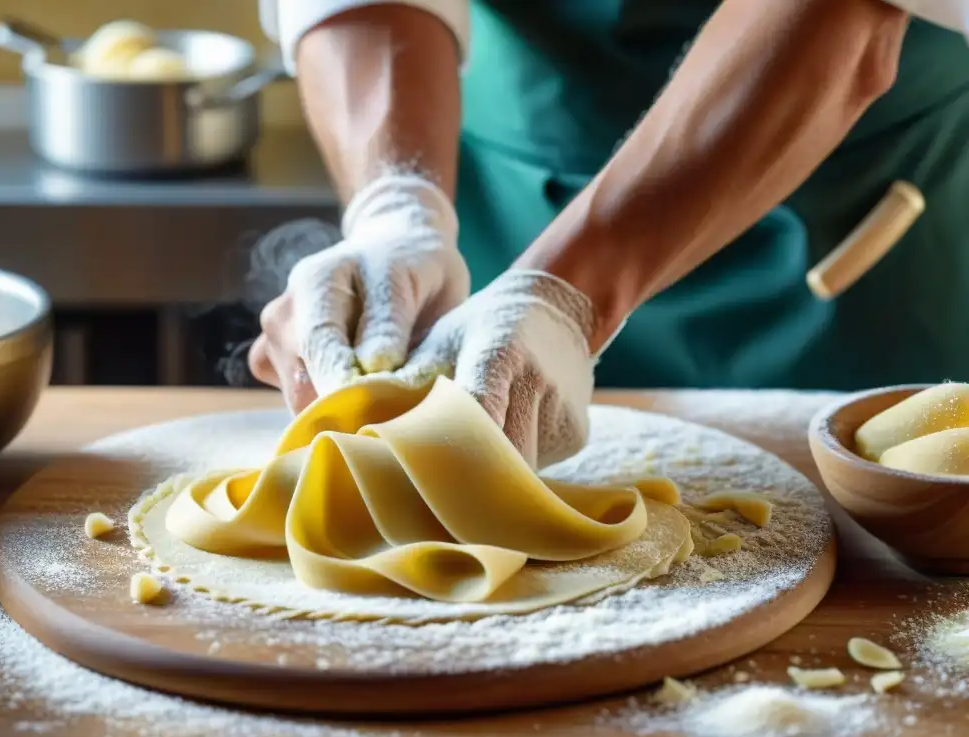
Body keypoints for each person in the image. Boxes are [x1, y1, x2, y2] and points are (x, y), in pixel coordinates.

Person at [249, 0, 969, 468]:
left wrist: (566, 293)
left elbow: (841, 15)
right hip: (504, 197)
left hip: (850, 218)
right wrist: (398, 207)